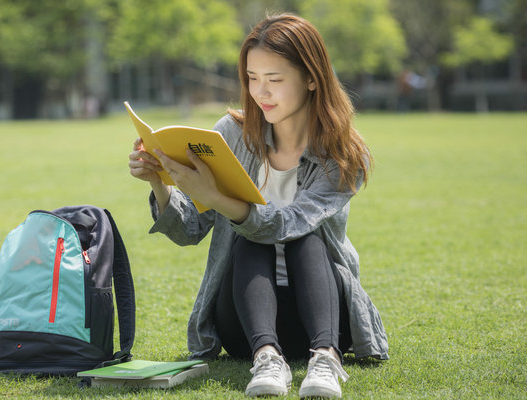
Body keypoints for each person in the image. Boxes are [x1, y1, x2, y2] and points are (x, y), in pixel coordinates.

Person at [128, 13, 388, 399]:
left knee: (302, 238)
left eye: (274, 80)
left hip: (324, 313)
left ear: (312, 78)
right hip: (246, 321)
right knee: (246, 239)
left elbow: (287, 223)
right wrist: (159, 181)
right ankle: (268, 359)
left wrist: (217, 196)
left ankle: (325, 359)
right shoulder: (231, 134)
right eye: (252, 78)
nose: (260, 92)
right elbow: (190, 231)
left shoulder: (344, 154)